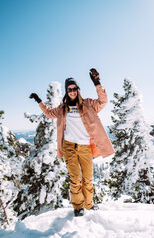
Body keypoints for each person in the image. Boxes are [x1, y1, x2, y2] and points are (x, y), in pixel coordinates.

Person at [30, 68, 114, 217]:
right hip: (69, 147)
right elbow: (50, 113)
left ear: (78, 90)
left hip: (85, 147)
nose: (72, 91)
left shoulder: (88, 104)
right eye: (69, 89)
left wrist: (97, 83)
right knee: (75, 179)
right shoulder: (63, 108)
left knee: (88, 179)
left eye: (74, 88)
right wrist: (39, 101)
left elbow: (103, 101)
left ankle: (89, 205)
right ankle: (78, 207)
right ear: (66, 91)